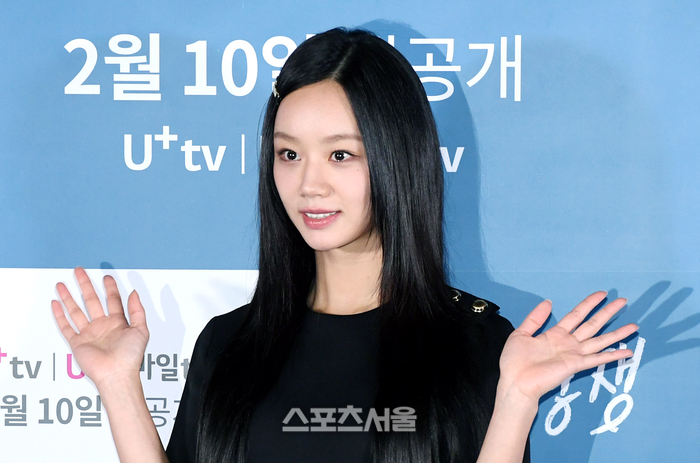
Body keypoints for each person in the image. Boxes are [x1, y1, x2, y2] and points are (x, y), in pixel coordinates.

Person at [51, 28, 638, 463]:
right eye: (288, 153)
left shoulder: (475, 343)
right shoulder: (230, 343)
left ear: (395, 159)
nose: (309, 183)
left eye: (340, 154)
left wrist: (515, 401)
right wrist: (119, 386)